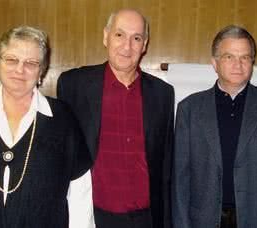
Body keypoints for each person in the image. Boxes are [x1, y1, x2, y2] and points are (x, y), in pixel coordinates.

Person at [0, 26, 90, 227]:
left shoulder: (63, 119)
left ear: (41, 71)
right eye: (11, 59)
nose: (20, 69)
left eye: (31, 63)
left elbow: (80, 193)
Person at [57, 8, 174, 228]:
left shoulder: (162, 94)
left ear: (145, 44)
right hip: (91, 217)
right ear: (105, 36)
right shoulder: (74, 86)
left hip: (145, 219)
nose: (127, 46)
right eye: (119, 35)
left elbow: (166, 168)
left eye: (136, 38)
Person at [172, 24, 257, 228]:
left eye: (245, 57)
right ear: (214, 62)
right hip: (203, 220)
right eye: (229, 57)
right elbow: (180, 180)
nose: (238, 65)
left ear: (252, 62)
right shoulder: (189, 109)